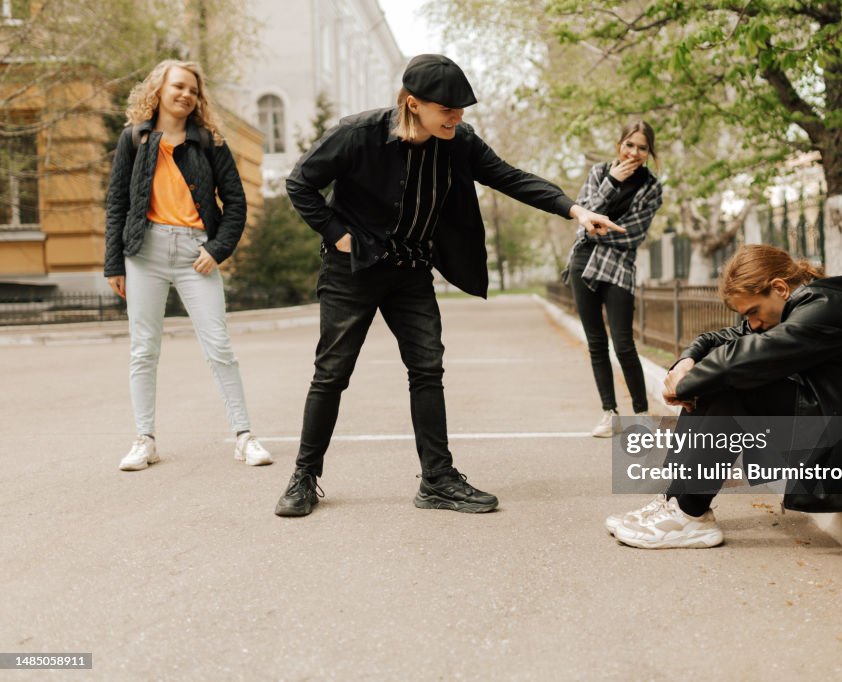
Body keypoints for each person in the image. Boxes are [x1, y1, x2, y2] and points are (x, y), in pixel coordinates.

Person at [274, 54, 622, 517]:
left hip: (411, 271)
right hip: (353, 271)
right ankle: (304, 475)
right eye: (448, 110)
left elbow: (510, 177)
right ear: (413, 104)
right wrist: (337, 235)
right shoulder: (359, 134)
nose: (457, 118)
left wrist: (575, 210)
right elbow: (300, 182)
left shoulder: (459, 142)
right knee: (333, 372)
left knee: (427, 369)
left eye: (462, 110)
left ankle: (437, 480)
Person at [607, 244, 842, 549]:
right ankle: (677, 502)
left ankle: (689, 512)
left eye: (754, 311)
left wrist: (684, 387)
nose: (752, 323)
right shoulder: (802, 306)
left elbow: (752, 355)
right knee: (715, 380)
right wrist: (687, 362)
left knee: (732, 389)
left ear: (780, 288)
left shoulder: (828, 308)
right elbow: (721, 339)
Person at [104, 60, 273, 471]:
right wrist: (114, 265)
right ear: (158, 89)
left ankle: (244, 437)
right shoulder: (134, 139)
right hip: (143, 253)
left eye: (193, 90)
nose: (186, 94)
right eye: (178, 86)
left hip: (196, 255)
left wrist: (217, 249)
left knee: (219, 347)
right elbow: (117, 204)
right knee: (143, 350)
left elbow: (235, 203)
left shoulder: (210, 142)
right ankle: (144, 440)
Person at [565, 121, 663, 437]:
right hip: (584, 263)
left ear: (650, 152)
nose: (634, 152)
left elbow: (633, 234)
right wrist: (609, 183)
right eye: (629, 145)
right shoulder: (598, 173)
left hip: (620, 266)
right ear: (619, 144)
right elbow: (582, 221)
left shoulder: (652, 188)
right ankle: (609, 413)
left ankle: (642, 415)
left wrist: (595, 231)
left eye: (642, 147)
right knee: (596, 343)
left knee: (623, 343)